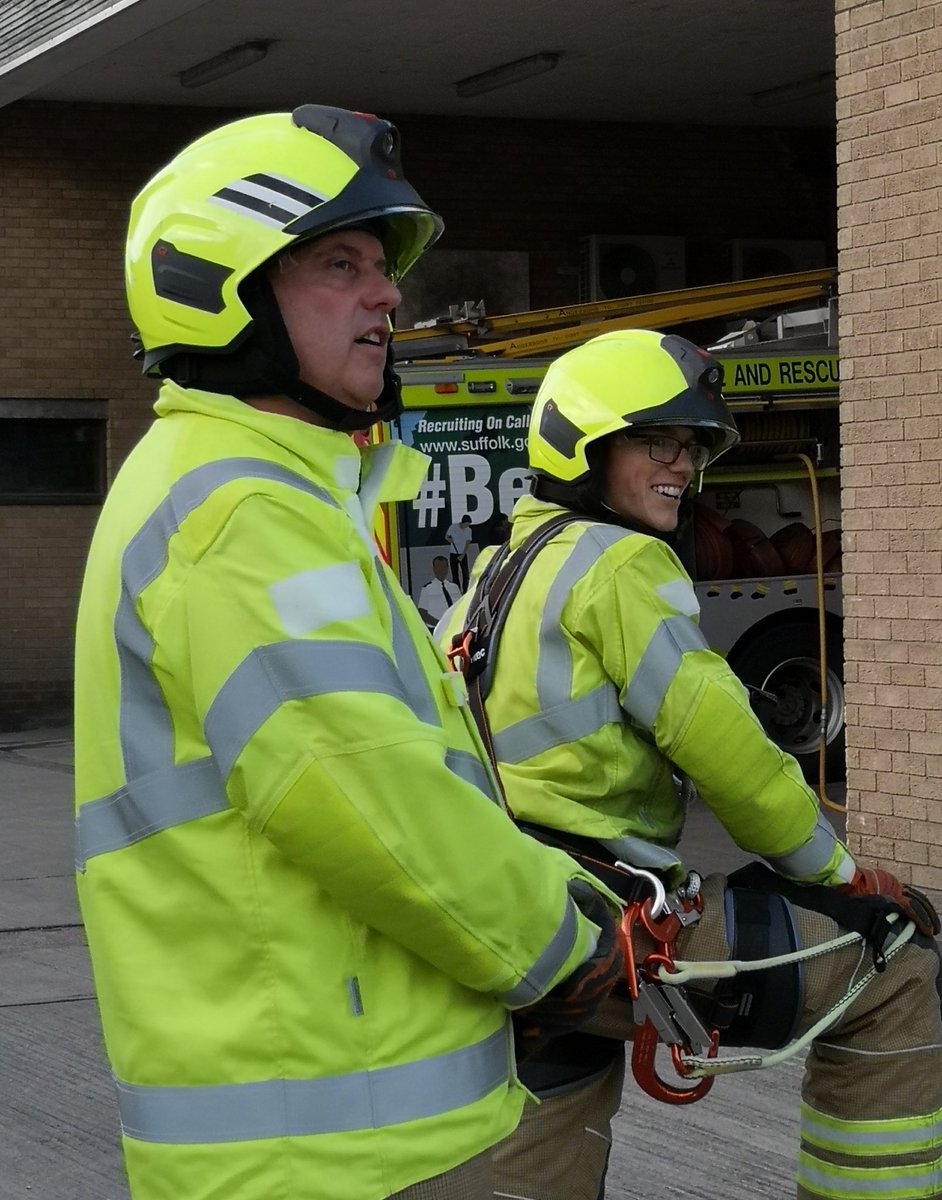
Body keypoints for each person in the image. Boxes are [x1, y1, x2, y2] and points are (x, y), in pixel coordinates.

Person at [72, 106, 627, 1200]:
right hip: (343, 1149)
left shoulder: (260, 489)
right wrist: (572, 951)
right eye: (341, 263)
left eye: (381, 267)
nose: (388, 296)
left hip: (331, 1127)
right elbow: (374, 805)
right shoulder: (239, 512)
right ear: (219, 286)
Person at [442, 329, 942, 1200]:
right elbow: (731, 755)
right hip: (602, 918)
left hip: (502, 909)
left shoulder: (492, 574)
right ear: (585, 447)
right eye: (655, 440)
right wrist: (841, 876)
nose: (683, 464)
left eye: (692, 445)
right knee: (896, 970)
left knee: (541, 1124)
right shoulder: (622, 564)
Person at [417, 554, 462, 630]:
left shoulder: (454, 587)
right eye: (438, 567)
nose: (441, 570)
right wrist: (440, 624)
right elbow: (423, 613)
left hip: (454, 628)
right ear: (434, 569)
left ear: (448, 568)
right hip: (436, 629)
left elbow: (462, 607)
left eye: (444, 567)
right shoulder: (427, 588)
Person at [445, 513, 474, 590]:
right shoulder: (453, 527)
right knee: (455, 574)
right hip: (453, 554)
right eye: (467, 524)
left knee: (465, 574)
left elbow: (468, 542)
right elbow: (446, 536)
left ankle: (465, 590)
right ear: (463, 522)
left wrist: (463, 555)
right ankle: (457, 590)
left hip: (463, 554)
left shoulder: (468, 530)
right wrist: (450, 540)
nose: (467, 526)